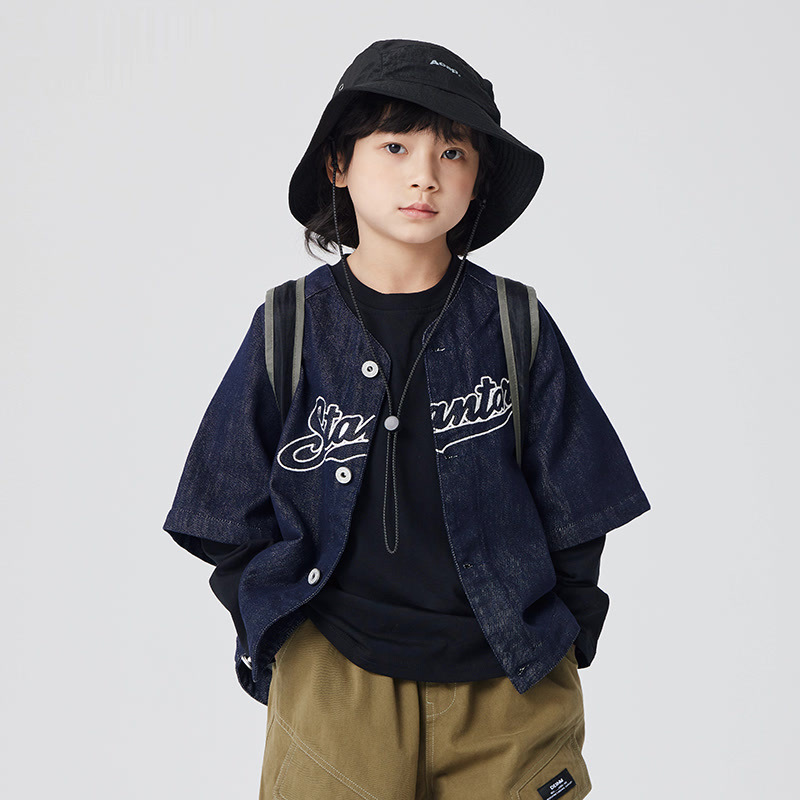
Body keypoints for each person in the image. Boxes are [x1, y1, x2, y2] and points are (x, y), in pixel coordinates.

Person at [163, 38, 650, 799]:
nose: (425, 174)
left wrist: (560, 635)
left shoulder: (515, 323)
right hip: (336, 684)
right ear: (339, 163)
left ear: (477, 178)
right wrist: (284, 627)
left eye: (453, 152)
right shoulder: (291, 326)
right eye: (395, 146)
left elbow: (581, 500)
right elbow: (221, 510)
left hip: (509, 685)